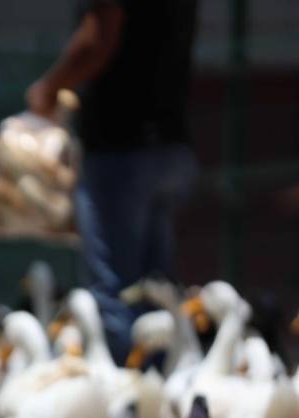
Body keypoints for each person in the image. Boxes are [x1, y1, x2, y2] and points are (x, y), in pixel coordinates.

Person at [27, 0, 199, 361]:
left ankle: (129, 402)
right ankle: (162, 389)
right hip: (172, 145)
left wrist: (49, 87)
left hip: (121, 148)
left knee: (116, 291)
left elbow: (98, 40)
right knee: (156, 291)